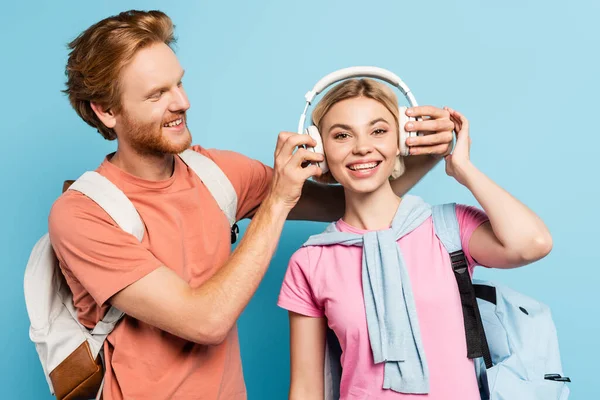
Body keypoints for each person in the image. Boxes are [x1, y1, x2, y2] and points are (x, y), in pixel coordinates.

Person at [47, 9, 455, 400]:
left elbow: (344, 199)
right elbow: (205, 321)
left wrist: (428, 150)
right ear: (106, 111)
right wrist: (277, 201)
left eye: (179, 84)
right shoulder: (82, 214)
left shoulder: (218, 173)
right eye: (157, 95)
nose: (182, 103)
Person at [277, 78, 553, 399]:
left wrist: (461, 167)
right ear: (321, 150)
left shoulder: (448, 227)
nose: (362, 147)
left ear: (401, 143)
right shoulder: (310, 261)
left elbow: (533, 243)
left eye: (378, 131)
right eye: (342, 135)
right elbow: (307, 388)